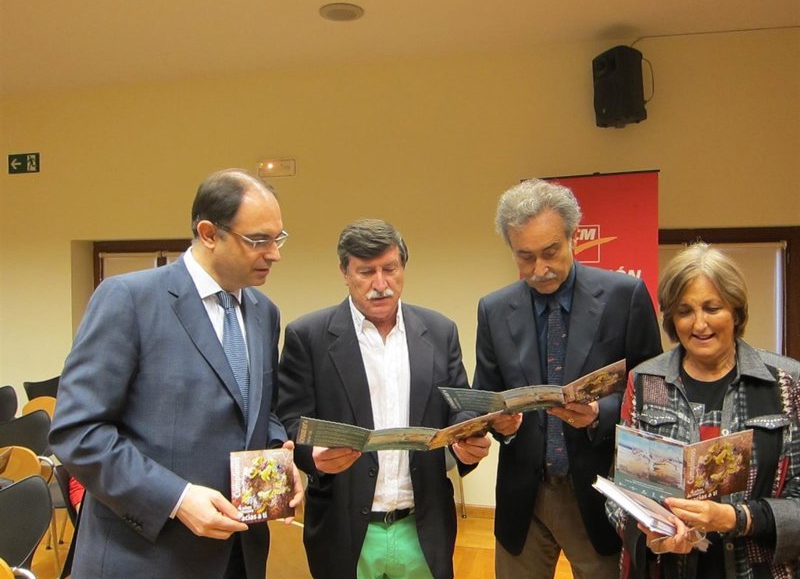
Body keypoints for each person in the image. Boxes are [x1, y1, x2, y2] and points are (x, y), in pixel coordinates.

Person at [49, 168, 303, 578]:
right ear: (208, 233)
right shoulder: (129, 299)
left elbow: (262, 412)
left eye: (278, 238)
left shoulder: (263, 313)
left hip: (240, 556)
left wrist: (278, 456)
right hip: (147, 557)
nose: (274, 253)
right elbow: (77, 432)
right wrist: (176, 498)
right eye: (259, 240)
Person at [277, 219, 491, 579]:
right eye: (366, 272)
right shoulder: (308, 336)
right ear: (345, 273)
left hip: (423, 523)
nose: (381, 284)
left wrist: (466, 440)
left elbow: (458, 406)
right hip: (343, 526)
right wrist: (312, 455)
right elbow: (290, 420)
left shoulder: (440, 331)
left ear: (403, 267)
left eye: (390, 269)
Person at [474, 178, 663, 578]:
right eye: (525, 257)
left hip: (600, 491)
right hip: (523, 498)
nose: (540, 269)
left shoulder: (624, 296)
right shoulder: (494, 309)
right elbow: (486, 394)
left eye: (550, 252)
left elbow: (654, 392)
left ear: (573, 238)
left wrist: (599, 413)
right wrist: (499, 424)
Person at [608, 242, 800, 578]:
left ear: (735, 312)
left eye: (712, 308)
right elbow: (620, 495)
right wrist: (652, 534)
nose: (699, 325)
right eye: (685, 311)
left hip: (758, 570)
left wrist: (737, 518)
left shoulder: (785, 383)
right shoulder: (646, 382)